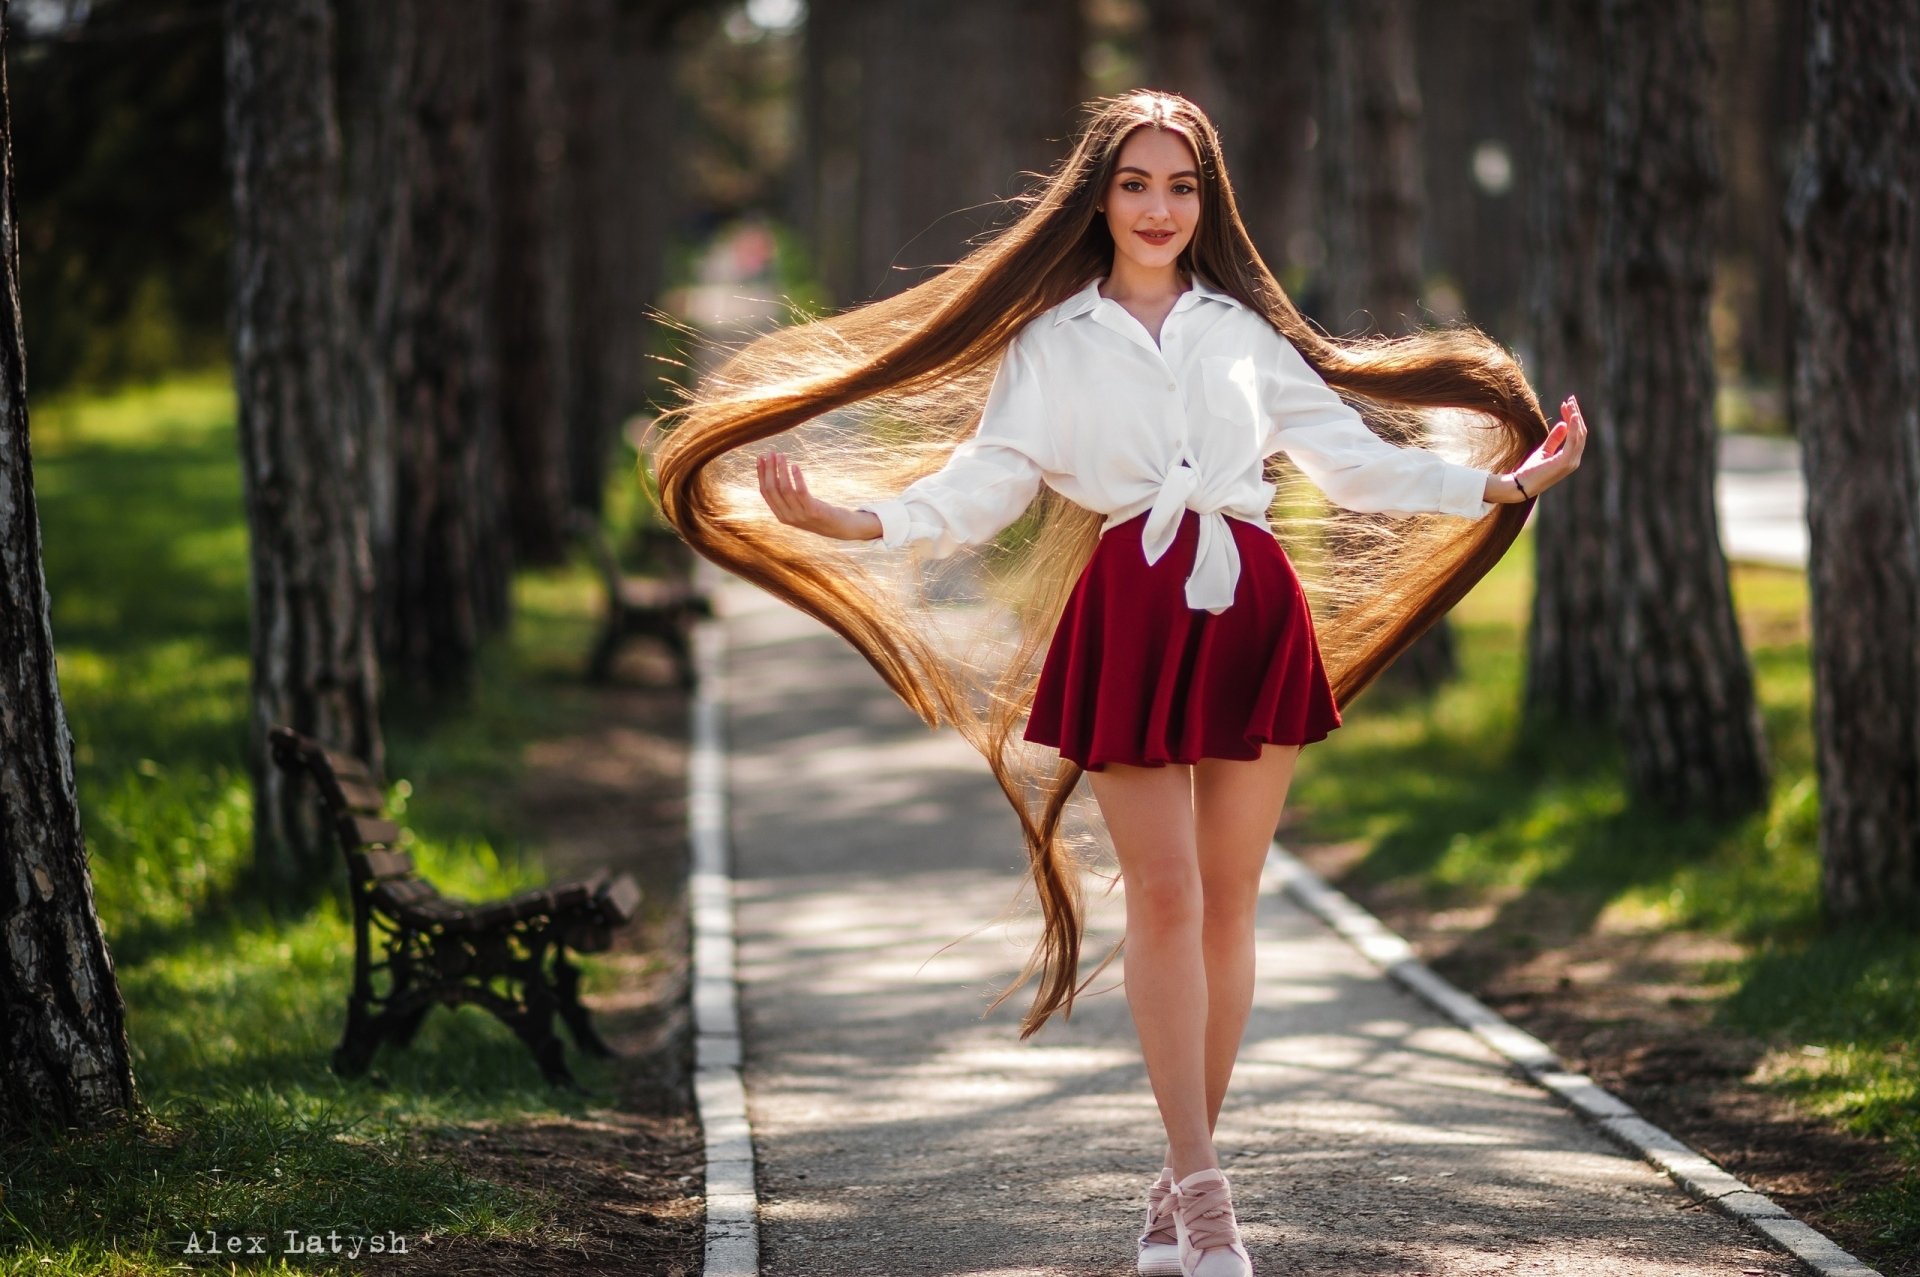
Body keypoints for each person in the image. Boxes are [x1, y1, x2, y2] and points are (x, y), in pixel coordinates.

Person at [655, 91, 1584, 1277]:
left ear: (1209, 201)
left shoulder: (1243, 332)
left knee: (1235, 898)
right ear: (1099, 194)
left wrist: (1506, 488)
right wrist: (850, 515)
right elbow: (982, 485)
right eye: (1137, 183)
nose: (1159, 207)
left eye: (1182, 185)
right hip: (1131, 610)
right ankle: (1203, 1192)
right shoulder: (1052, 341)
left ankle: (1175, 1175)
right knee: (1165, 894)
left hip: (1248, 602)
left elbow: (1352, 467)